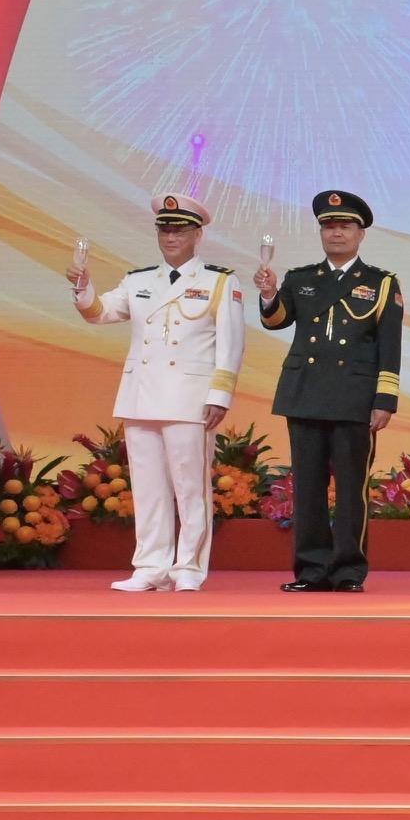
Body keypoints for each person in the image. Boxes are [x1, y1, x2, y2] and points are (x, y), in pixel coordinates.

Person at [69, 194, 246, 592]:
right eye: (165, 229)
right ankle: (150, 565)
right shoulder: (138, 280)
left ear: (197, 234)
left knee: (189, 486)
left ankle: (188, 568)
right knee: (148, 487)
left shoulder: (219, 281)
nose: (170, 236)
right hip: (141, 394)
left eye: (180, 229)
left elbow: (231, 343)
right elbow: (100, 313)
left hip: (190, 397)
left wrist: (220, 394)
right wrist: (83, 288)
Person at [257, 190, 399, 593]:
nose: (336, 233)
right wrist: (268, 293)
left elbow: (390, 346)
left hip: (354, 398)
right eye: (329, 226)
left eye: (345, 226)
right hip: (305, 393)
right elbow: (276, 321)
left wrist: (384, 399)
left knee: (352, 490)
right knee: (307, 488)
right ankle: (312, 570)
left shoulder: (380, 283)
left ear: (360, 233)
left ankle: (349, 570)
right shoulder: (301, 279)